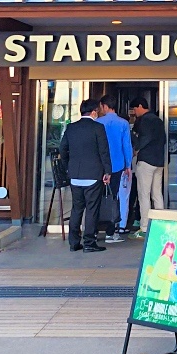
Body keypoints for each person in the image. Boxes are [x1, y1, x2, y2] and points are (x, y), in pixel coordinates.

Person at [59, 98, 112, 253]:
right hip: (94, 175)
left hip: (75, 175)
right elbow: (104, 151)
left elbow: (63, 149)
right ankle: (89, 242)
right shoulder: (98, 128)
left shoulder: (71, 128)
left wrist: (68, 166)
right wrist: (107, 172)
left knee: (76, 209)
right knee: (92, 209)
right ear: (94, 112)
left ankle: (74, 243)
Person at [97, 95, 134, 242]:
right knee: (114, 197)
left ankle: (94, 230)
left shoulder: (98, 122)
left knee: (98, 197)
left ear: (105, 106)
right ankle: (111, 232)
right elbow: (127, 146)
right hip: (118, 165)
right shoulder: (123, 123)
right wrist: (127, 165)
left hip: (100, 165)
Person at [130, 96, 166, 237]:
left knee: (144, 195)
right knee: (157, 194)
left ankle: (145, 227)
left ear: (140, 106)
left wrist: (136, 149)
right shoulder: (158, 120)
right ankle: (161, 223)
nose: (134, 113)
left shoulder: (144, 120)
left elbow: (144, 138)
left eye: (134, 109)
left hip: (146, 161)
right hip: (158, 161)